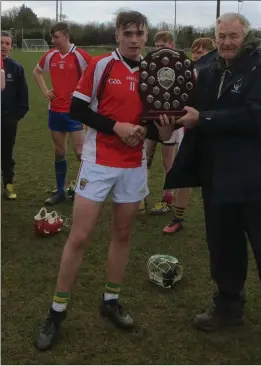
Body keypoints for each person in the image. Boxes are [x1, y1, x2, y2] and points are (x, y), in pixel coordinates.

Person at [35, 10, 174, 351]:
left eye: (139, 33)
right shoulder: (100, 66)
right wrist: (116, 127)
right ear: (117, 35)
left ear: (145, 36)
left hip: (133, 165)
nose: (134, 38)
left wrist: (159, 130)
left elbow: (160, 121)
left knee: (122, 234)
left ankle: (110, 301)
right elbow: (77, 111)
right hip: (98, 163)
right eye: (128, 32)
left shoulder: (154, 72)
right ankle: (56, 312)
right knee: (80, 237)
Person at [164, 13, 261, 355]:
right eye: (221, 35)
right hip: (218, 177)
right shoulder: (208, 70)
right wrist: (166, 112)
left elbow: (256, 115)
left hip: (255, 179)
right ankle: (228, 307)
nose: (226, 42)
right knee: (223, 249)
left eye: (233, 36)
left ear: (246, 36)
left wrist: (204, 118)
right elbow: (188, 104)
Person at [33, 22, 92, 205]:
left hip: (75, 112)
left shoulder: (80, 55)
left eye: (56, 37)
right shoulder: (50, 55)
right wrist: (45, 92)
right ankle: (60, 191)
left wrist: (85, 97)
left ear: (66, 36)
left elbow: (96, 75)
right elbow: (37, 72)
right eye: (52, 37)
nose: (53, 41)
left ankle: (83, 190)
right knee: (59, 152)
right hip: (55, 111)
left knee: (80, 153)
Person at [163, 37, 216, 234]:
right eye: (194, 52)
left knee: (216, 178)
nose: (196, 56)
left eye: (200, 53)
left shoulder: (219, 74)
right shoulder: (187, 74)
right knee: (184, 172)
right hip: (190, 133)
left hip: (214, 134)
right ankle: (178, 217)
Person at [140, 30, 184, 215]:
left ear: (172, 46)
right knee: (144, 158)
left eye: (163, 46)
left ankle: (167, 199)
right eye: (157, 46)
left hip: (171, 121)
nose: (159, 49)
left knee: (168, 162)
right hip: (151, 119)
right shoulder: (150, 65)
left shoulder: (181, 66)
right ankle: (141, 197)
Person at [1, 31, 29, 199]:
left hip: (8, 119)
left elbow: (23, 94)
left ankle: (8, 184)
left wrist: (16, 115)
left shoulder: (16, 68)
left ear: (11, 47)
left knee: (6, 152)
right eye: (1, 42)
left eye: (7, 43)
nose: (3, 46)